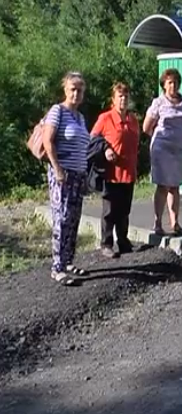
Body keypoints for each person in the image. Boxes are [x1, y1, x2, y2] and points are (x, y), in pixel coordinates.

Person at [42, 71, 91, 286]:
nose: (76, 93)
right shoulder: (57, 111)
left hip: (78, 175)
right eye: (73, 89)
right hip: (62, 174)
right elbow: (48, 141)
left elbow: (84, 147)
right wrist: (58, 169)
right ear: (65, 90)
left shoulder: (80, 117)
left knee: (73, 220)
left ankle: (68, 261)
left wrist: (85, 174)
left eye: (80, 90)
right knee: (61, 219)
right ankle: (57, 268)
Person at [142, 68, 182, 236]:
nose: (173, 86)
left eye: (175, 82)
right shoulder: (159, 103)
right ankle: (157, 222)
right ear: (164, 85)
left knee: (175, 186)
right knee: (163, 185)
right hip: (161, 150)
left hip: (179, 149)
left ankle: (175, 222)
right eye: (169, 83)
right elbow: (146, 127)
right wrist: (160, 140)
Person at [91, 82, 140, 258]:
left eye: (126, 96)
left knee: (124, 210)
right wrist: (106, 149)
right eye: (120, 96)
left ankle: (123, 241)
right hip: (111, 173)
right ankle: (106, 243)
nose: (123, 99)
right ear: (113, 99)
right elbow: (93, 139)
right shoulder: (105, 118)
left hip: (129, 172)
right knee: (109, 210)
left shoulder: (133, 120)